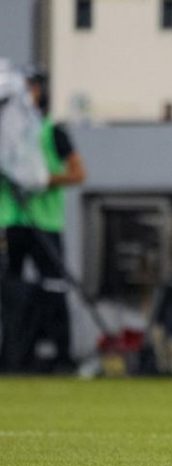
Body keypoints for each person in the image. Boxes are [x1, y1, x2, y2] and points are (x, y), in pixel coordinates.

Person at [0, 70, 86, 372]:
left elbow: (78, 173)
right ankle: (13, 355)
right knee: (10, 291)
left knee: (53, 287)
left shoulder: (51, 130)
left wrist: (43, 180)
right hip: (11, 221)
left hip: (45, 222)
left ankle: (59, 354)